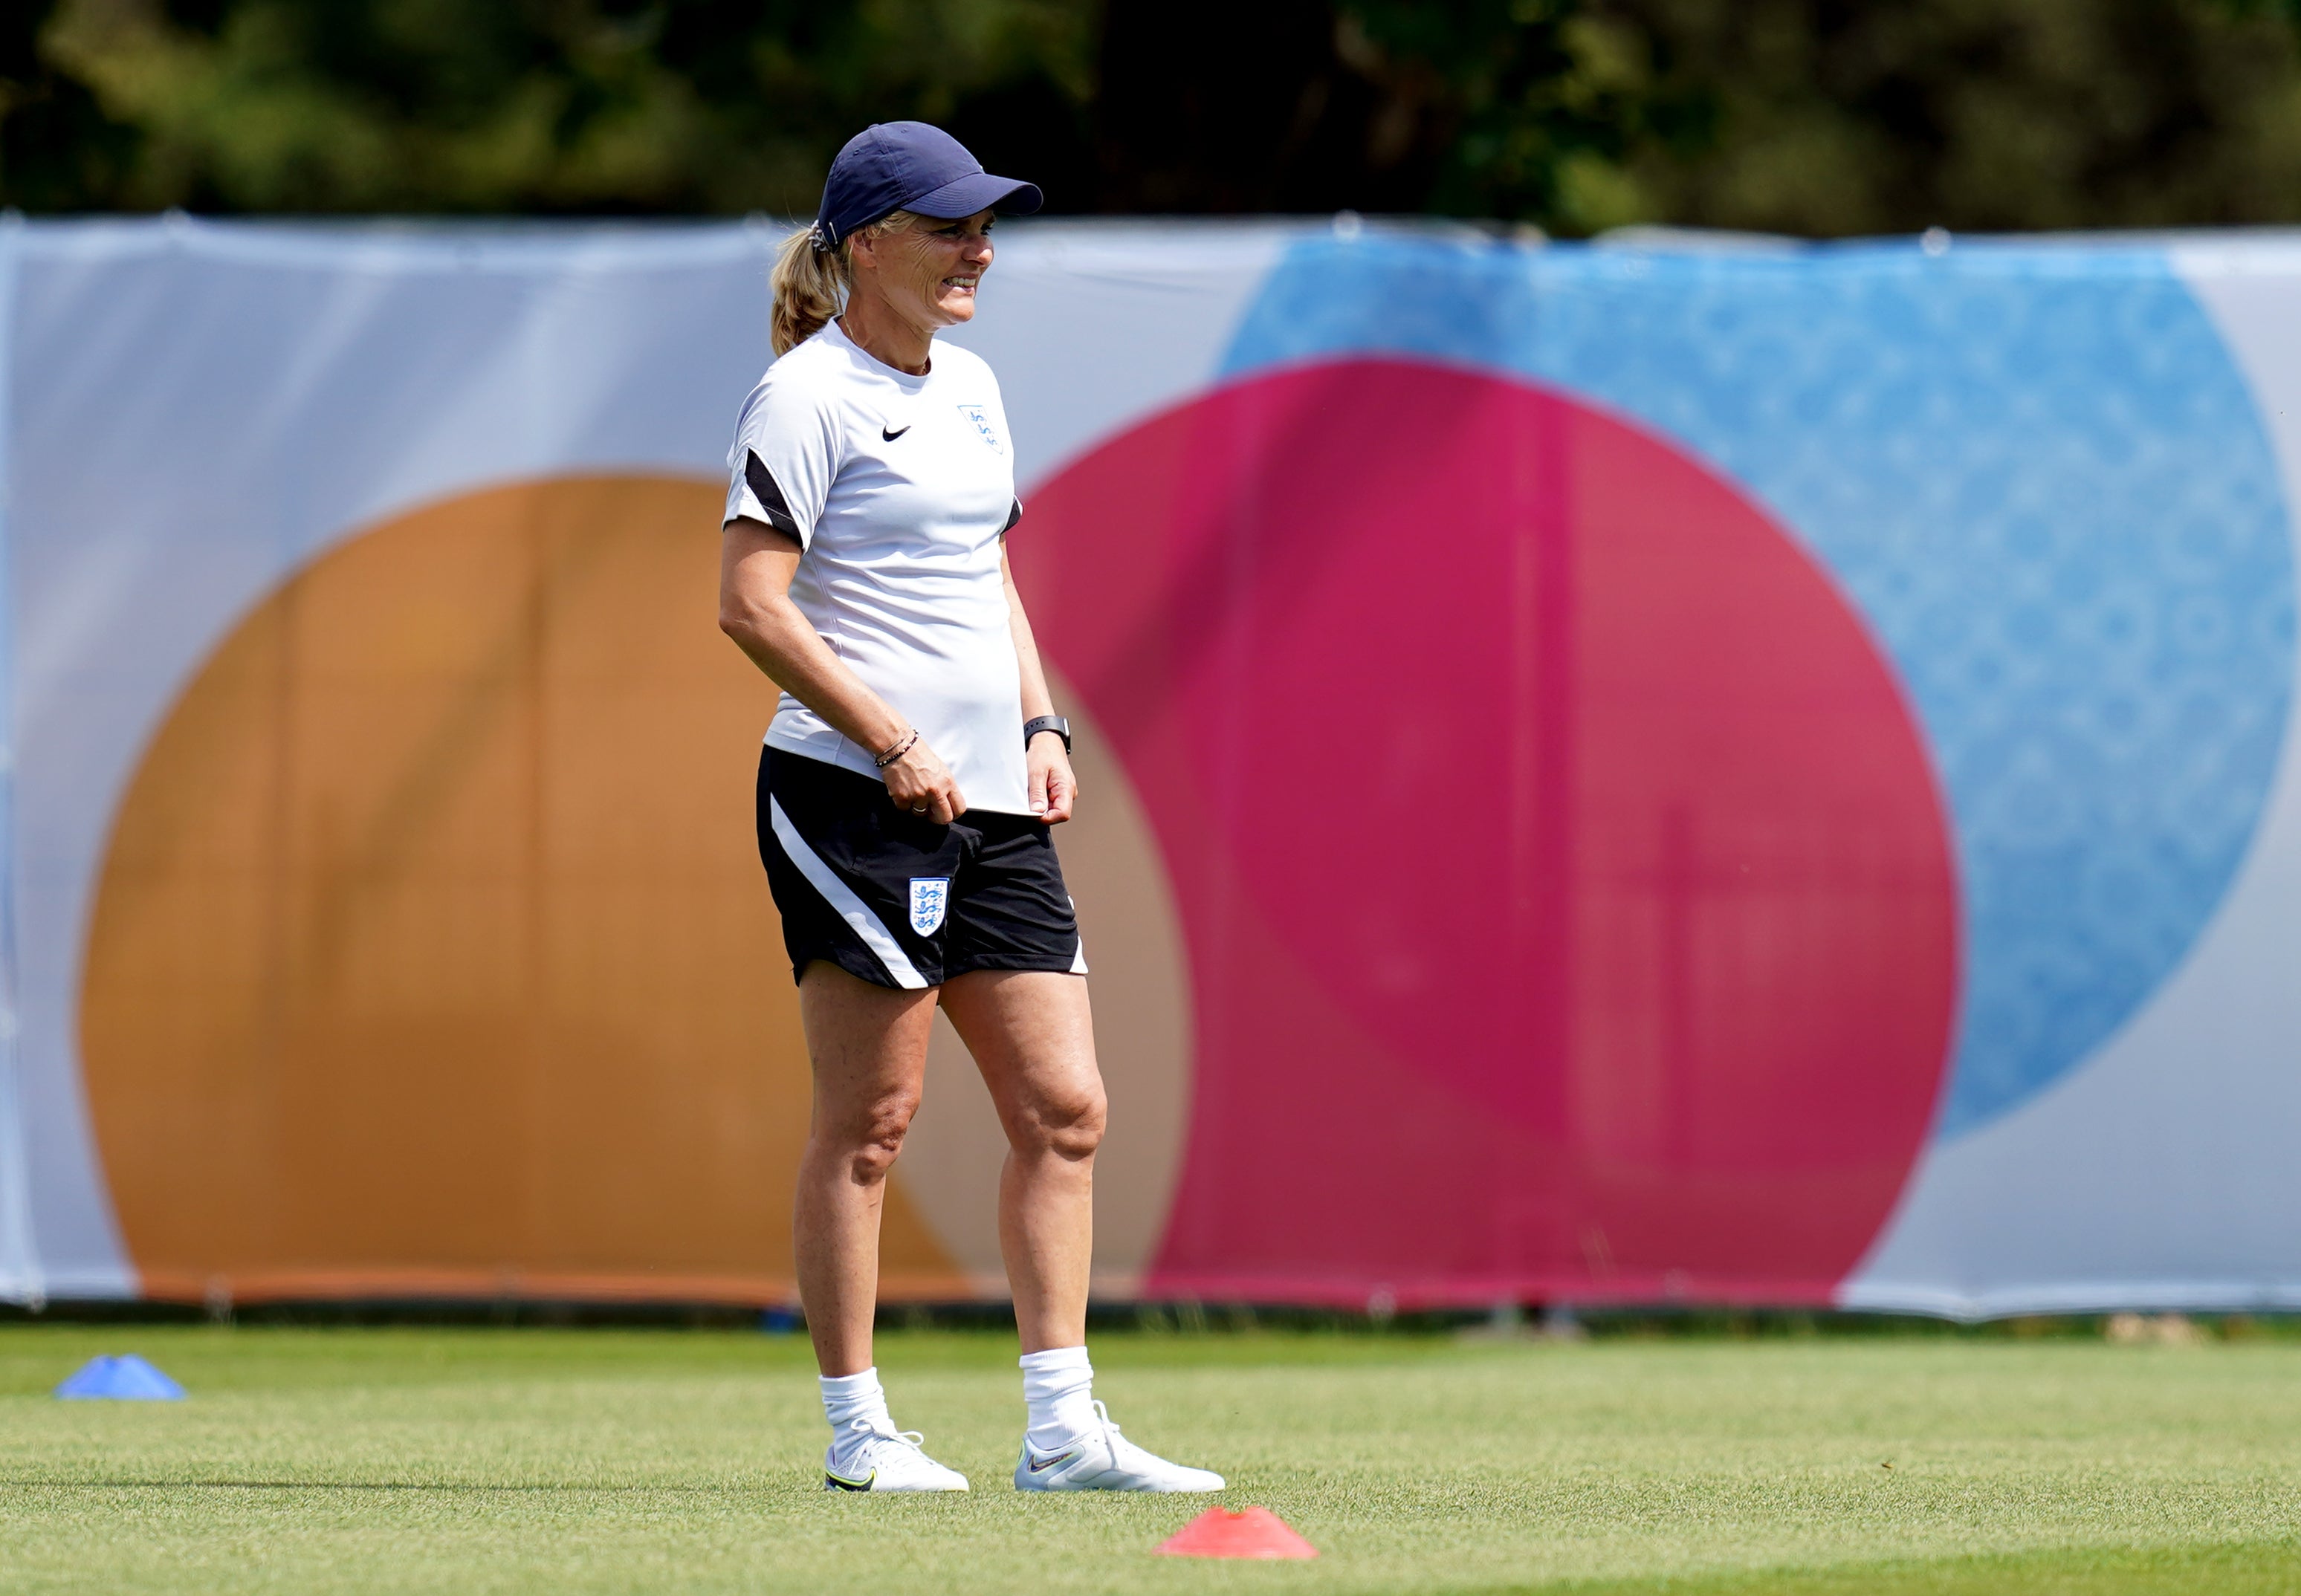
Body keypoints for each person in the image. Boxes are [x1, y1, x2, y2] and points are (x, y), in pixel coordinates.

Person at [716, 122, 1225, 1496]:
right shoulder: (805, 398)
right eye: (948, 228)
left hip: (991, 801)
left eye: (986, 228)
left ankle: (1062, 1433)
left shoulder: (974, 387)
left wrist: (1038, 724)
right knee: (870, 1125)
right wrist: (887, 737)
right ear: (866, 245)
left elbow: (983, 573)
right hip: (847, 798)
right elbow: (749, 604)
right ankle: (857, 1434)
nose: (977, 251)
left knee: (1066, 1109)